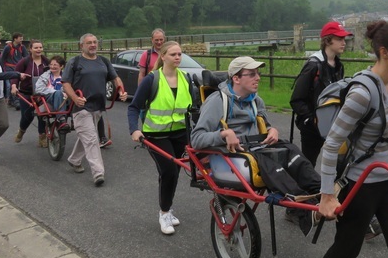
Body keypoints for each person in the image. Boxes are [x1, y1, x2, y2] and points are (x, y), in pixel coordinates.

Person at [314, 20, 388, 258]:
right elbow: (332, 144)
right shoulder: (362, 94)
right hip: (362, 186)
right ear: (385, 52)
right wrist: (327, 195)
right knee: (346, 251)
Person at [191, 56, 321, 236]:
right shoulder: (216, 101)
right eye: (251, 74)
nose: (258, 77)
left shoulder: (256, 100)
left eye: (258, 73)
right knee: (269, 163)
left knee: (290, 150)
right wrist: (223, 134)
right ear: (236, 78)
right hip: (233, 155)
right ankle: (305, 210)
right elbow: (196, 138)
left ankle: (322, 193)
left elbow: (264, 124)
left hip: (256, 147)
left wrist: (271, 129)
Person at [128, 41, 194, 235]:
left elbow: (194, 108)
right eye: (173, 54)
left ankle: (168, 208)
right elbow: (134, 107)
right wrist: (134, 129)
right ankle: (164, 213)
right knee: (168, 172)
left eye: (180, 54)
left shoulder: (186, 78)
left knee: (176, 172)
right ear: (162, 56)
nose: (177, 57)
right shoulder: (152, 80)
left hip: (181, 133)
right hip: (156, 135)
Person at [62, 33, 127, 187]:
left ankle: (74, 160)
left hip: (98, 107)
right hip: (80, 107)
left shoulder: (103, 61)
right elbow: (66, 83)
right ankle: (98, 173)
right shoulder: (75, 62)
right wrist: (75, 98)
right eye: (89, 43)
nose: (92, 45)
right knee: (92, 139)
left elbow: (115, 78)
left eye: (94, 42)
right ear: (81, 46)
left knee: (88, 135)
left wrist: (121, 91)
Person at [290, 21, 353, 167]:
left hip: (332, 124)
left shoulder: (338, 65)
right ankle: (306, 190)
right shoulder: (313, 65)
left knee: (340, 163)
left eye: (344, 39)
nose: (344, 42)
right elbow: (296, 99)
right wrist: (312, 120)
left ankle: (335, 189)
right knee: (308, 164)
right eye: (339, 39)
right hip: (312, 127)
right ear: (327, 40)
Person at [0, 31, 29, 171]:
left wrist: (5, 94)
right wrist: (16, 74)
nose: (1, 43)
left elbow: (1, 75)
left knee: (4, 124)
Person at [10, 40, 50, 147]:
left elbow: (55, 72)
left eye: (40, 47)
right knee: (27, 116)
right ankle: (22, 131)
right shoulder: (24, 62)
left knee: (43, 115)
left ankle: (42, 137)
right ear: (30, 49)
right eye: (36, 48)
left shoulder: (47, 61)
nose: (39, 50)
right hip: (26, 93)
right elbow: (15, 75)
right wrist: (14, 86)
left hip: (42, 93)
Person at [1, 32, 27, 109]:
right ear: (15, 39)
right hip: (9, 68)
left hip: (18, 68)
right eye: (20, 38)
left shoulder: (22, 47)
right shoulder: (8, 47)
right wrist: (2, 69)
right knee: (10, 85)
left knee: (16, 85)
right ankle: (15, 101)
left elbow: (26, 57)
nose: (21, 40)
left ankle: (13, 100)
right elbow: (3, 58)